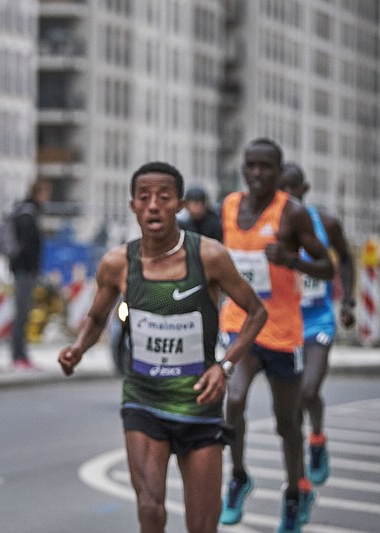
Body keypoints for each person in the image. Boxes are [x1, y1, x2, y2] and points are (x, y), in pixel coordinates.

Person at [59, 162, 267, 533]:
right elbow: (95, 318)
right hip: (144, 399)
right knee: (151, 509)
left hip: (198, 403)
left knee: (202, 526)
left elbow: (256, 312)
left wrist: (226, 366)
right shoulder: (117, 263)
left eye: (164, 197)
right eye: (144, 198)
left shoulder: (210, 257)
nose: (154, 205)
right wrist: (77, 349)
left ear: (179, 205)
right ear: (133, 206)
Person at [219, 139, 334, 532]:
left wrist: (292, 260)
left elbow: (327, 267)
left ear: (279, 170)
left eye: (266, 166)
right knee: (233, 400)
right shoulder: (230, 206)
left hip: (283, 333)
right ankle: (238, 477)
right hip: (240, 325)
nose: (257, 173)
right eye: (250, 165)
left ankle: (294, 494)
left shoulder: (293, 214)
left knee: (287, 423)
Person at [279, 162, 356, 485]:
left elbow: (347, 259)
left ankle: (318, 439)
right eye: (279, 191)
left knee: (309, 390)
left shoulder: (326, 223)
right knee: (290, 409)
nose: (286, 197)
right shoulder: (268, 228)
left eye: (291, 190)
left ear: (304, 190)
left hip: (318, 320)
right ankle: (298, 481)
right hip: (284, 324)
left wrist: (349, 302)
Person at [9, 180, 51, 370]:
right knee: (22, 314)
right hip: (24, 270)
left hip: (23, 269)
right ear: (38, 193)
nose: (47, 198)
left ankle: (21, 354)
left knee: (23, 314)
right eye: (45, 193)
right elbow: (28, 246)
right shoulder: (27, 214)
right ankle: (19, 356)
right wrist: (31, 266)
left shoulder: (26, 212)